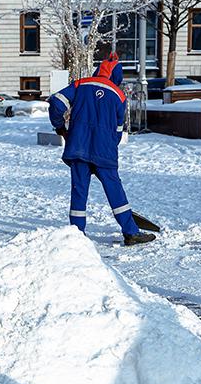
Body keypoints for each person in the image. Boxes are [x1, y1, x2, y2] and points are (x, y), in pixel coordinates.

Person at [49, 54, 154, 246]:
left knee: (79, 191)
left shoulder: (81, 84)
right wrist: (107, 145)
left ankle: (77, 234)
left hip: (78, 147)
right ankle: (131, 232)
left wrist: (60, 127)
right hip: (104, 152)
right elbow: (118, 130)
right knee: (114, 189)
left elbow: (56, 101)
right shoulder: (119, 95)